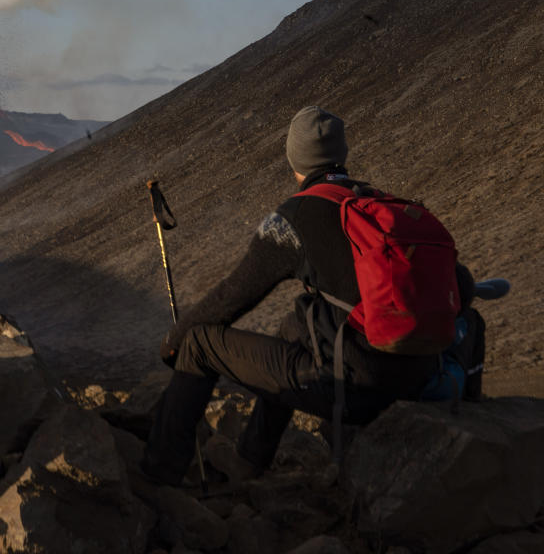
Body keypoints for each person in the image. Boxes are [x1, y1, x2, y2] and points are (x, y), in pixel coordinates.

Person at [142, 105, 458, 485]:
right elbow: (463, 285)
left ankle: (158, 477)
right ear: (342, 154)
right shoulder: (380, 206)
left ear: (295, 159)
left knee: (199, 344)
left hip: (355, 389)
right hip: (420, 378)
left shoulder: (294, 217)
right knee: (296, 322)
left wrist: (172, 342)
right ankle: (249, 459)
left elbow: (232, 297)